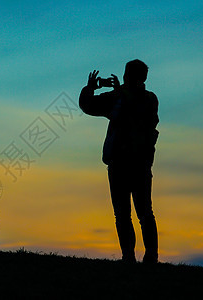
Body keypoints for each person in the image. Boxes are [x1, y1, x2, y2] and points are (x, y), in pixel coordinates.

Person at [79, 59, 159, 263]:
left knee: (125, 214)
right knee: (143, 212)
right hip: (141, 164)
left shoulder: (121, 97)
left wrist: (90, 88)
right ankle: (148, 256)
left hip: (122, 163)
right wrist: (119, 92)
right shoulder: (150, 99)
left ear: (127, 76)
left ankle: (130, 256)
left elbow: (88, 105)